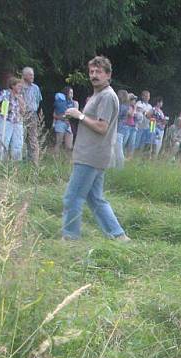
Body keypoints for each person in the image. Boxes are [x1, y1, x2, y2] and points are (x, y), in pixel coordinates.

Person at [60, 56, 129, 242]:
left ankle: (70, 238)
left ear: (108, 75)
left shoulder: (107, 96)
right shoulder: (99, 95)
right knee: (95, 199)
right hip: (92, 153)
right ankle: (119, 236)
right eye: (91, 72)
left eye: (99, 72)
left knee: (72, 197)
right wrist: (76, 118)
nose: (94, 75)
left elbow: (102, 127)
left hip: (92, 155)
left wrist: (80, 116)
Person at [0, 77, 27, 162]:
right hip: (6, 120)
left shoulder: (20, 96)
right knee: (4, 141)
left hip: (18, 122)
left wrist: (21, 102)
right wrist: (2, 110)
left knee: (18, 143)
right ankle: (0, 161)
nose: (20, 88)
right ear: (13, 86)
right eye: (18, 86)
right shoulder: (5, 93)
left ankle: (16, 162)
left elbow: (23, 111)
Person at [21, 67, 43, 165]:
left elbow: (38, 101)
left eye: (33, 74)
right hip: (21, 115)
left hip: (32, 114)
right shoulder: (20, 86)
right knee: (21, 136)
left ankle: (34, 161)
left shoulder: (36, 88)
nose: (32, 76)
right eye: (30, 74)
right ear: (24, 75)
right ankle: (22, 159)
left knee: (33, 138)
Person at [53, 86, 79, 155]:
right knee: (59, 142)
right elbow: (54, 115)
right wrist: (63, 118)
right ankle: (56, 159)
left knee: (69, 146)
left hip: (69, 125)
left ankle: (67, 161)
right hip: (60, 123)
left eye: (72, 93)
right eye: (70, 93)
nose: (72, 94)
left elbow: (75, 114)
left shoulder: (75, 103)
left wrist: (66, 117)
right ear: (66, 93)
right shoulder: (60, 102)